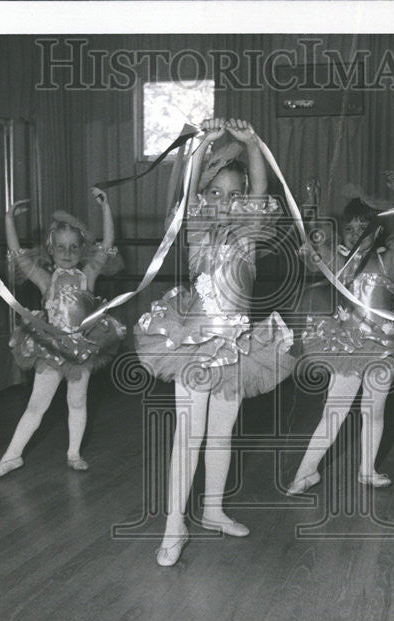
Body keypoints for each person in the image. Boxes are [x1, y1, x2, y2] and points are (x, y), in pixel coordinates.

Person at [134, 118, 295, 566]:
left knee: (222, 434)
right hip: (194, 340)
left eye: (235, 195)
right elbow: (184, 193)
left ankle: (212, 509)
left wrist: (251, 145)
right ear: (204, 197)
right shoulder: (194, 227)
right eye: (216, 194)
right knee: (190, 433)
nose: (226, 203)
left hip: (240, 345)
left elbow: (262, 193)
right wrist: (203, 144)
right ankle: (174, 524)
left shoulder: (249, 234)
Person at [287, 171, 394, 493]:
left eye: (363, 228)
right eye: (349, 229)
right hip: (348, 343)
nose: (355, 234)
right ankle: (306, 472)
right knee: (334, 410)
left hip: (384, 345)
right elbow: (313, 250)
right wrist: (312, 207)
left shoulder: (388, 260)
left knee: (373, 411)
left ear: (376, 231)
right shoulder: (340, 260)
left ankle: (367, 470)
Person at [0, 191, 125, 478]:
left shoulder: (87, 275)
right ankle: (11, 456)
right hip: (50, 350)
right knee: (37, 405)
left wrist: (106, 207)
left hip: (80, 349)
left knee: (77, 402)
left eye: (73, 247)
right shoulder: (45, 278)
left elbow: (108, 243)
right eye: (61, 247)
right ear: (50, 250)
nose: (67, 253)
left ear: (81, 249)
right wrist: (8, 221)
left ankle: (74, 453)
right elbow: (18, 256)